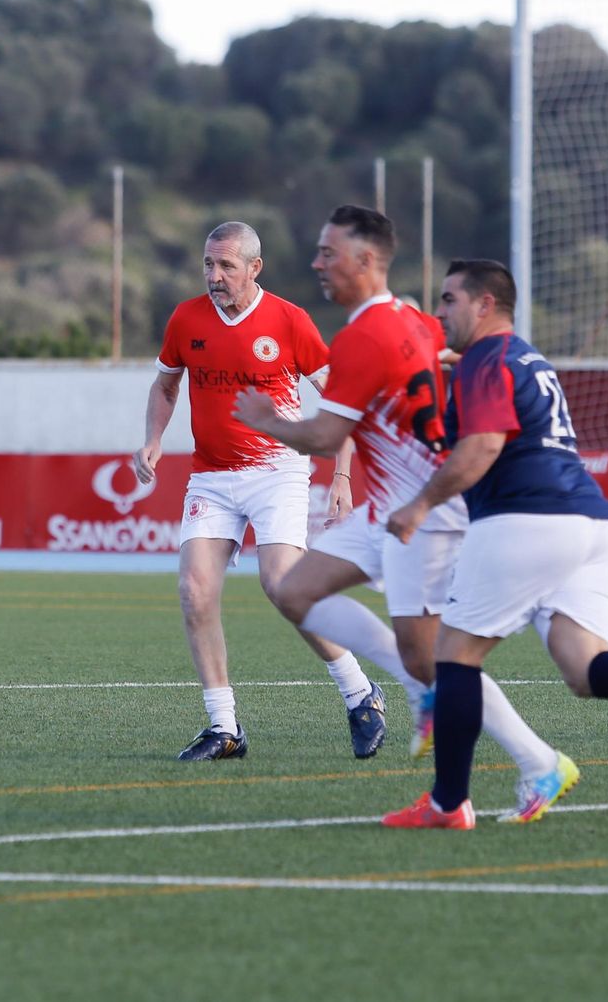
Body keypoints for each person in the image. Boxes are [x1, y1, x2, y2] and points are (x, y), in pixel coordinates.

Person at [232, 207, 576, 823]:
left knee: (440, 663)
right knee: (295, 590)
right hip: (391, 505)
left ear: (366, 261)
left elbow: (325, 433)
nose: (316, 264)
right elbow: (445, 363)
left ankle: (537, 762)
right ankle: (426, 699)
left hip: (428, 515)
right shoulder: (415, 319)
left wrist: (266, 421)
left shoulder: (364, 336)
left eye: (327, 253)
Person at [379, 258, 608, 830]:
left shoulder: (485, 358)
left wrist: (419, 505)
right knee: (584, 668)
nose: (441, 310)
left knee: (451, 657)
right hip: (593, 524)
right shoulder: (524, 356)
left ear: (484, 305)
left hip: (526, 519)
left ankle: (448, 804)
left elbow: (483, 447)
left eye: (449, 299)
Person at [134, 221, 387, 762]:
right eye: (208, 264)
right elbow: (165, 383)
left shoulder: (290, 321)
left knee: (282, 585)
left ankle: (360, 693)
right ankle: (224, 728)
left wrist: (342, 476)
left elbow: (342, 401)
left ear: (255, 267)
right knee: (194, 593)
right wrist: (153, 439)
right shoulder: (186, 318)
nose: (214, 276)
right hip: (212, 474)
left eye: (226, 265)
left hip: (279, 470)